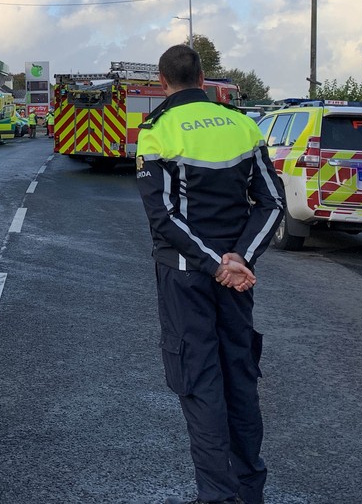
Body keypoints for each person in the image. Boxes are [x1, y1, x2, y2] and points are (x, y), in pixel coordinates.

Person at [134, 44, 285, 504]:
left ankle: (217, 496)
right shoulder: (243, 125)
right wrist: (240, 259)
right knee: (239, 377)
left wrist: (214, 263)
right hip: (237, 281)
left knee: (199, 383)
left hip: (187, 278)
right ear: (203, 77)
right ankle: (249, 491)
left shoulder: (156, 131)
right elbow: (272, 204)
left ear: (163, 81)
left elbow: (162, 218)